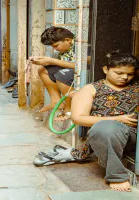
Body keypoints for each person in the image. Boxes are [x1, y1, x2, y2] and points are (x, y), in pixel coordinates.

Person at [70, 52, 139, 192]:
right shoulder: (91, 89)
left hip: (134, 136)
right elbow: (78, 118)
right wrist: (116, 119)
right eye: (119, 73)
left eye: (130, 74)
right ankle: (117, 176)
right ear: (106, 69)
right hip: (105, 134)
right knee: (105, 128)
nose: (125, 77)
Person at [30, 26, 75, 120]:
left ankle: (69, 108)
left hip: (84, 74)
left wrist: (52, 61)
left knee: (61, 75)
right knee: (42, 70)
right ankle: (56, 101)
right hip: (69, 71)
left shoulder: (81, 46)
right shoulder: (64, 49)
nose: (55, 49)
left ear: (68, 40)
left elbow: (80, 66)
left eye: (56, 46)